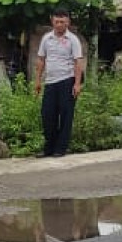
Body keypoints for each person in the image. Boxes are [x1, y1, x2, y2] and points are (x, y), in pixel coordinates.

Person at [34, 10, 84, 157]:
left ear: (68, 22)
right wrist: (38, 80)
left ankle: (60, 148)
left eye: (63, 22)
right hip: (50, 82)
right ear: (52, 21)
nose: (60, 24)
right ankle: (49, 147)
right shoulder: (46, 38)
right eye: (57, 21)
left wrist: (77, 84)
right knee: (47, 114)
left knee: (66, 115)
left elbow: (78, 62)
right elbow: (41, 59)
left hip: (67, 81)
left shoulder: (73, 39)